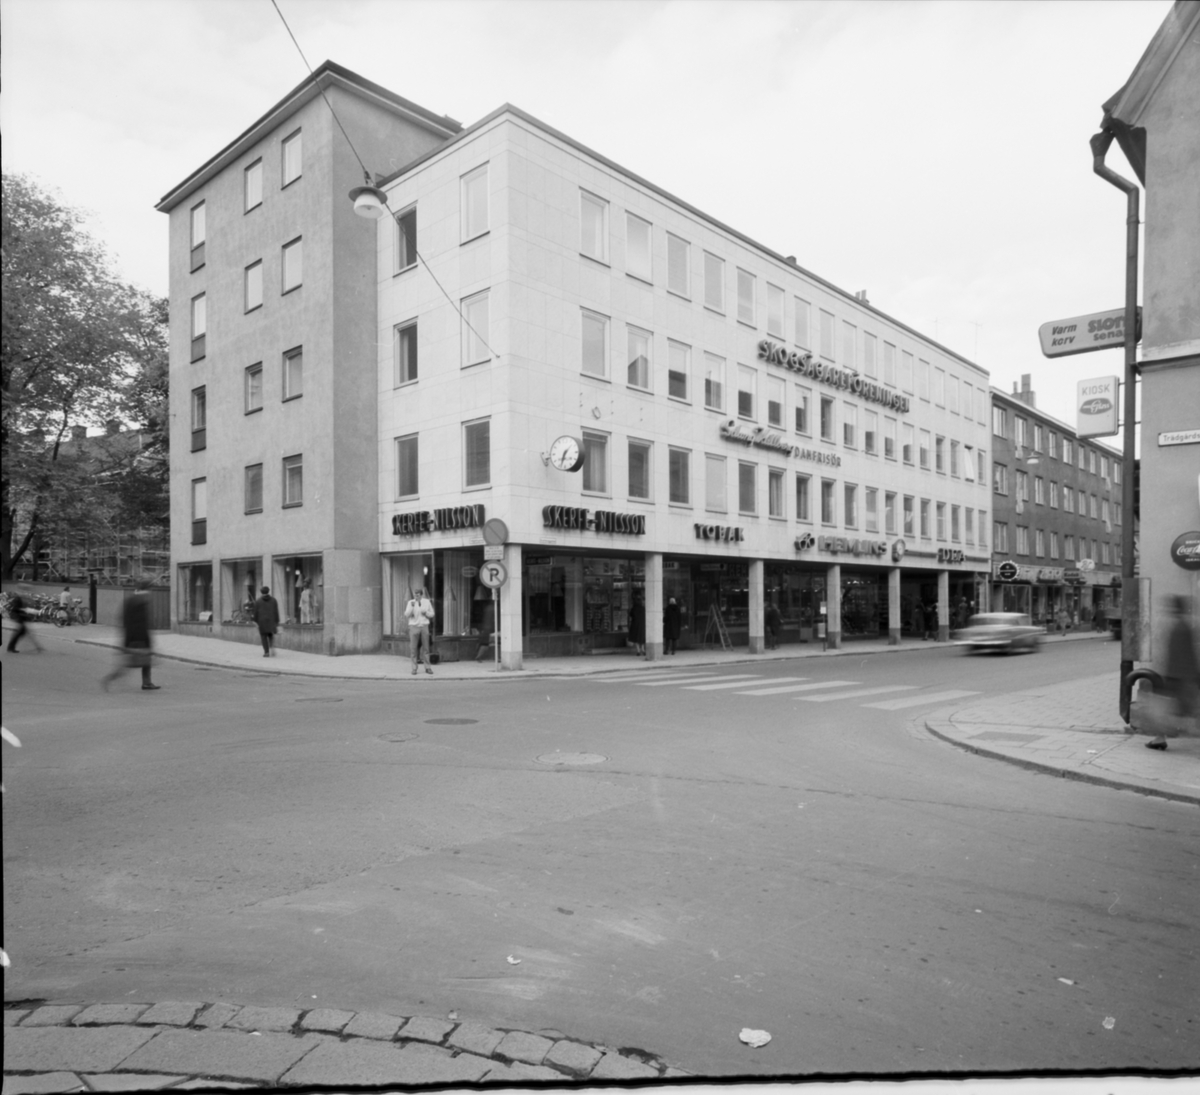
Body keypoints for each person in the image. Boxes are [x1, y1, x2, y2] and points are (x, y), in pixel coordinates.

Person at [1147, 594, 1200, 749]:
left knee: (1167, 709)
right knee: (1176, 709)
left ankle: (1160, 738)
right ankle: (1160, 738)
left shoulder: (1179, 627)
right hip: (1181, 676)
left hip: (1177, 677)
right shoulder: (1184, 626)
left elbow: (1180, 655)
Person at [102, 582, 158, 690]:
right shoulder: (141, 603)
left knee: (142, 662)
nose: (149, 595)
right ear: (145, 591)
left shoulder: (129, 601)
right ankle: (109, 679)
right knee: (134, 663)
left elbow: (124, 621)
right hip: (139, 640)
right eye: (149, 592)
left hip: (131, 638)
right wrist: (148, 641)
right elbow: (142, 624)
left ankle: (146, 683)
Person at [405, 587, 435, 674]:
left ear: (421, 595)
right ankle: (414, 668)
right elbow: (406, 614)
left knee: (426, 648)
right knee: (413, 648)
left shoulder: (427, 602)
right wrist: (412, 606)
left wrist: (426, 613)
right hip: (414, 626)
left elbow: (432, 614)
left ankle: (427, 667)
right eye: (415, 595)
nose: (416, 597)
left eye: (418, 595)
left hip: (424, 626)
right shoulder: (410, 602)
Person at [5, 588, 42, 653]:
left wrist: (29, 611)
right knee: (21, 631)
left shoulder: (23, 598)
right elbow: (15, 608)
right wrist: (25, 610)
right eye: (25, 591)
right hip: (17, 616)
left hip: (22, 616)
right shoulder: (17, 598)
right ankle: (11, 647)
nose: (26, 592)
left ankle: (11, 647)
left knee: (22, 631)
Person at [253, 585, 280, 657]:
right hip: (271, 621)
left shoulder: (258, 601)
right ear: (268, 591)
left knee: (263, 637)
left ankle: (266, 652)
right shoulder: (274, 600)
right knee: (271, 635)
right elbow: (276, 611)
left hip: (262, 622)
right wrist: (277, 621)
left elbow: (255, 612)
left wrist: (255, 621)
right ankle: (272, 647)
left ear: (261, 592)